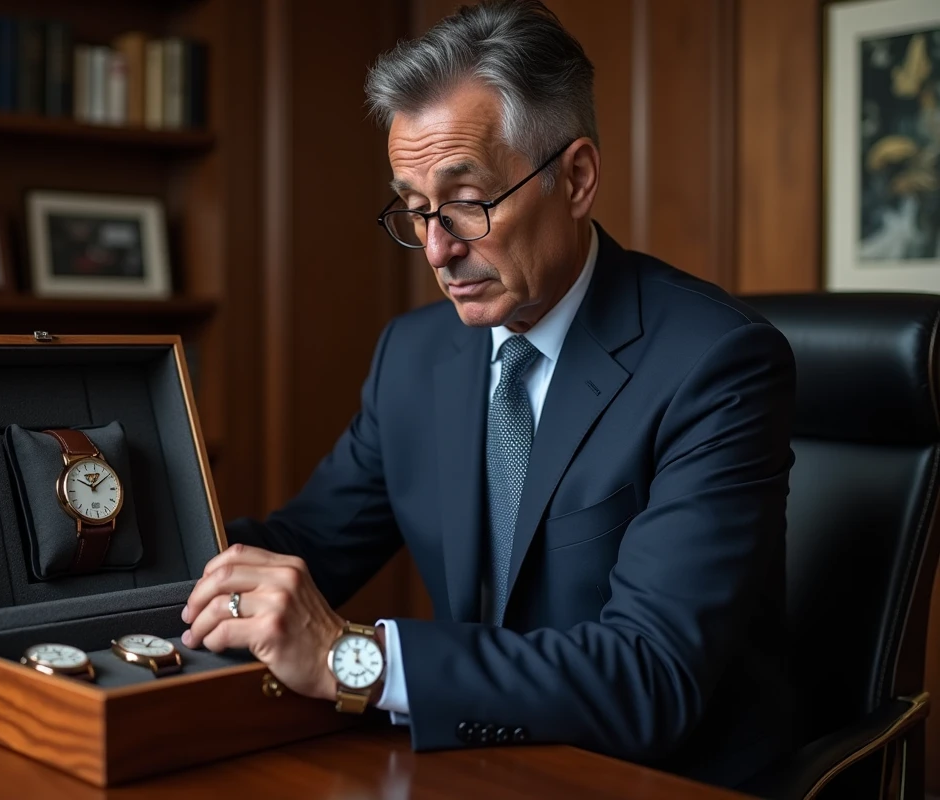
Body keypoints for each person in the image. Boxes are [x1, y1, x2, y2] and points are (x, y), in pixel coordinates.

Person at [180, 0, 796, 788]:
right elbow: (306, 546)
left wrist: (352, 658)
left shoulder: (716, 363)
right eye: (414, 210)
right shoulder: (412, 356)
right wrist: (115, 566)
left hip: (658, 780)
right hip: (480, 766)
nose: (437, 250)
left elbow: (651, 673)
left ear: (576, 178)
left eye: (467, 203)